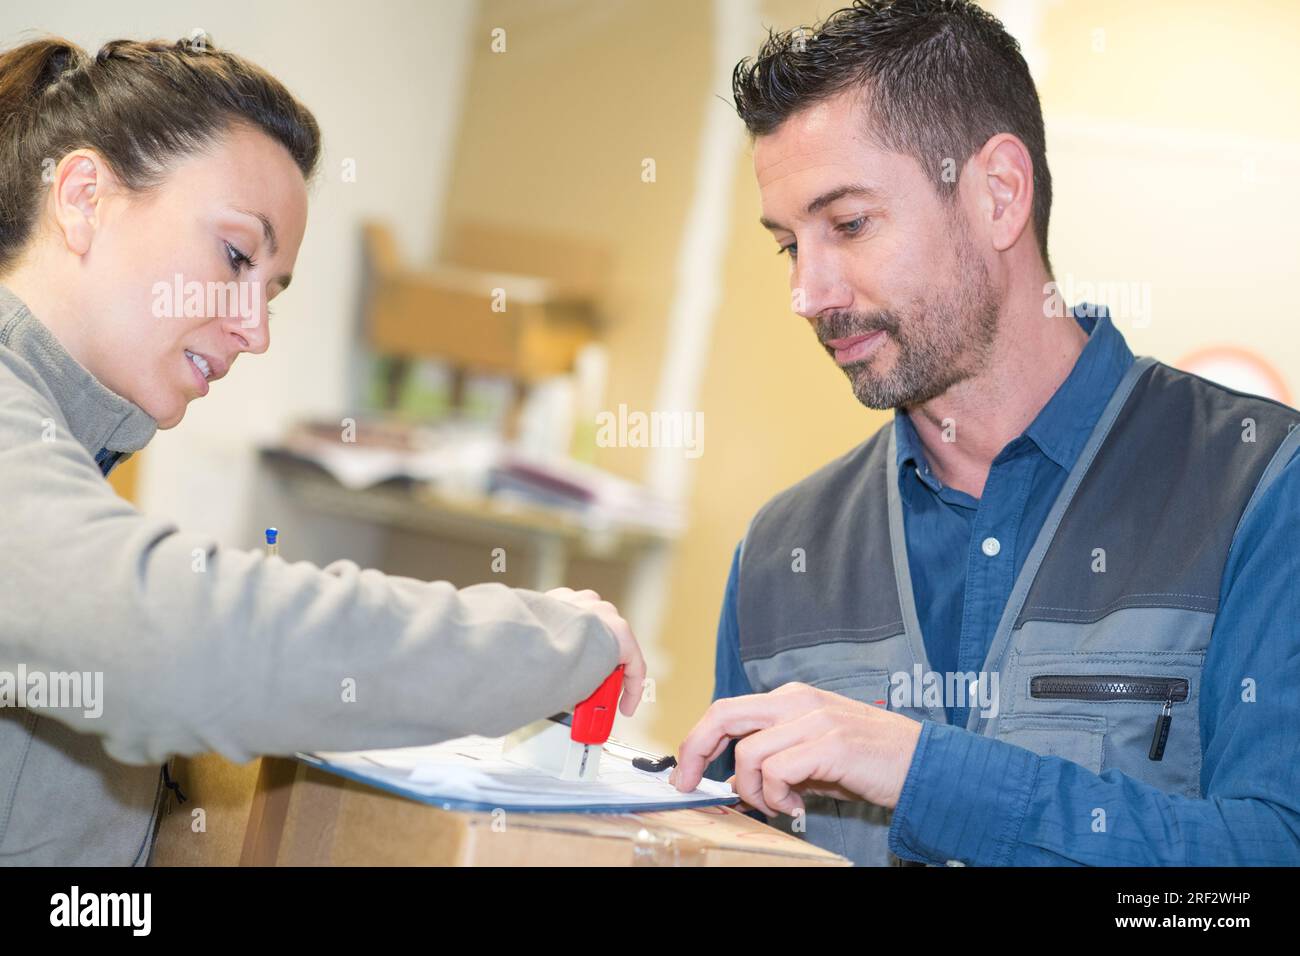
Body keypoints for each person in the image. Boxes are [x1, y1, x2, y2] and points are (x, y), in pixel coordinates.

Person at [671, 0, 1300, 866]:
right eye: (788, 245)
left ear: (999, 195)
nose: (808, 295)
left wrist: (922, 773)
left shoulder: (1265, 488)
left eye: (848, 224)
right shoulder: (780, 554)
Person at [0, 35, 645, 866]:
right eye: (235, 256)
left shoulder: (68, 451)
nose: (255, 329)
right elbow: (171, 640)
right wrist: (550, 639)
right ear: (84, 197)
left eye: (271, 290)